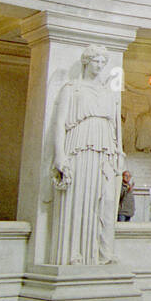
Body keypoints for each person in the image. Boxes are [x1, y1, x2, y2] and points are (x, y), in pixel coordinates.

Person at [49, 45, 122, 264]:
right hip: (80, 144)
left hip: (105, 147)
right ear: (86, 62)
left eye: (103, 62)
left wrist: (118, 151)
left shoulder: (109, 92)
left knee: (106, 200)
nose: (99, 66)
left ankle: (102, 252)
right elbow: (59, 123)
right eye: (96, 61)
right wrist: (59, 155)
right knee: (79, 198)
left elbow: (115, 125)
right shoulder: (72, 88)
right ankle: (75, 253)